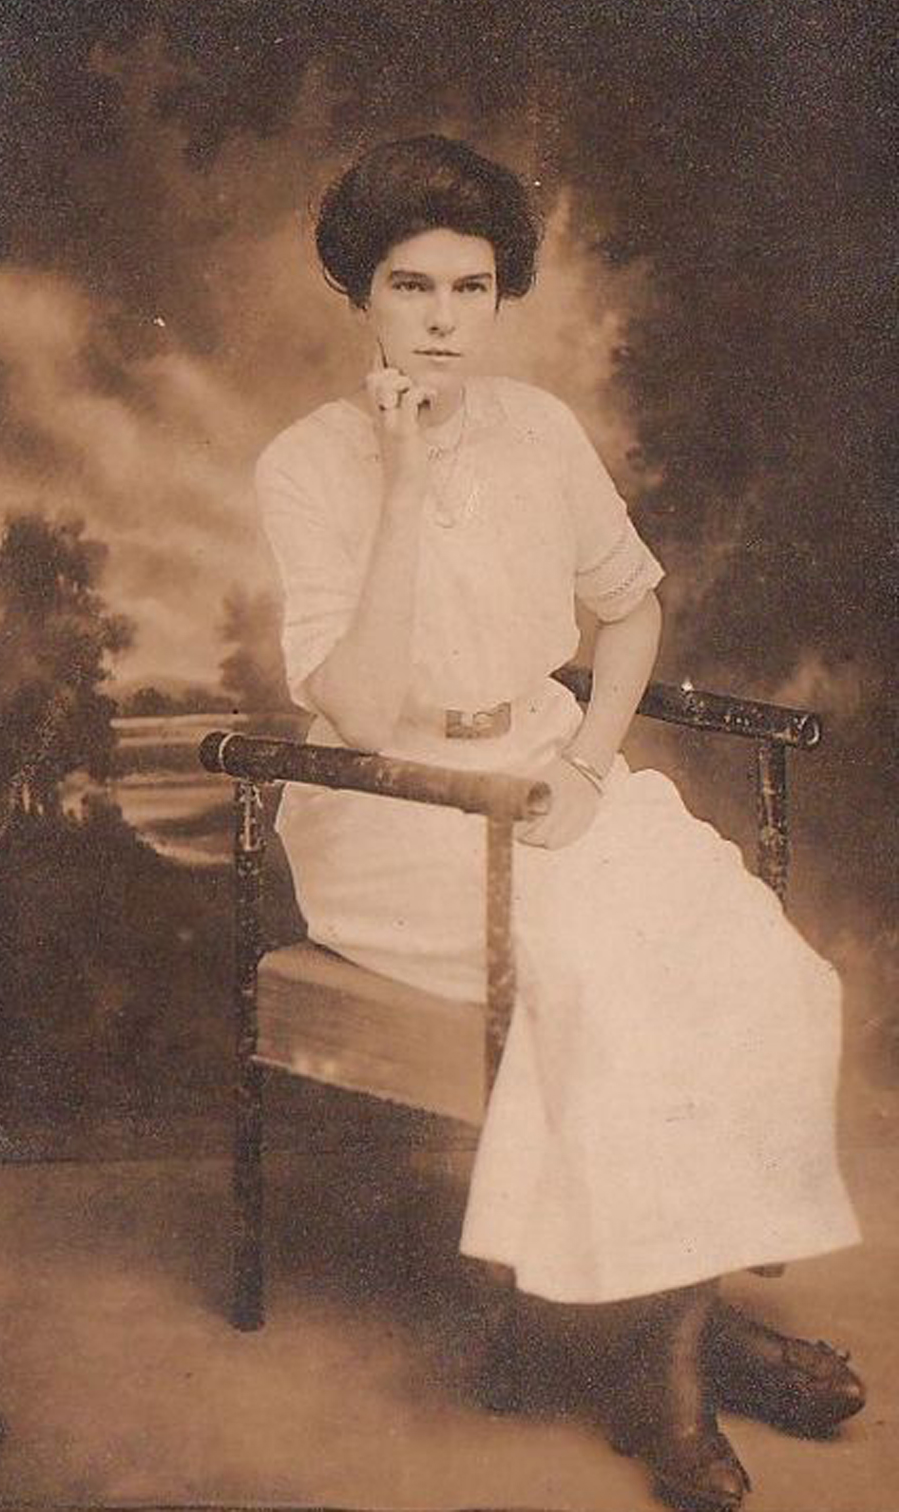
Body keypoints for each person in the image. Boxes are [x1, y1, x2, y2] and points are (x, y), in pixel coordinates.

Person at [255, 135, 865, 1512]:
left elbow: (629, 606)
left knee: (762, 968)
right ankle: (672, 1388)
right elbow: (352, 707)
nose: (440, 319)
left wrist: (590, 761)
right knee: (610, 979)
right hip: (392, 813)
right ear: (360, 294)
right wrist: (405, 483)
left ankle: (658, 1331)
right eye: (410, 285)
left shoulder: (536, 430)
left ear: (499, 293)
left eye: (470, 287)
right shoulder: (304, 465)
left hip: (546, 770)